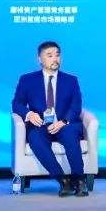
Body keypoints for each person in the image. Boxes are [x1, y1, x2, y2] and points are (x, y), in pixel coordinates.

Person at [11, 41, 86, 196]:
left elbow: (76, 106)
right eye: (50, 55)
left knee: (70, 134)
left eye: (57, 55)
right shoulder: (27, 80)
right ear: (40, 59)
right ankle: (62, 180)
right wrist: (29, 114)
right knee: (35, 137)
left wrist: (63, 121)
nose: (55, 59)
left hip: (64, 124)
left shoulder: (71, 80)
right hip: (41, 125)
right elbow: (17, 103)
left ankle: (79, 179)